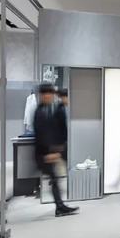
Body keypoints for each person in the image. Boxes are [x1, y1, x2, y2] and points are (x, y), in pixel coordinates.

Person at [33, 83, 78, 217]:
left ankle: (60, 207)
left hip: (47, 152)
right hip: (43, 154)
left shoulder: (47, 109)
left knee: (54, 180)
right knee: (52, 180)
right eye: (47, 94)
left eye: (51, 94)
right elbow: (41, 135)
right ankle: (2, 205)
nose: (50, 96)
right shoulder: (40, 112)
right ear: (42, 95)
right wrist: (47, 153)